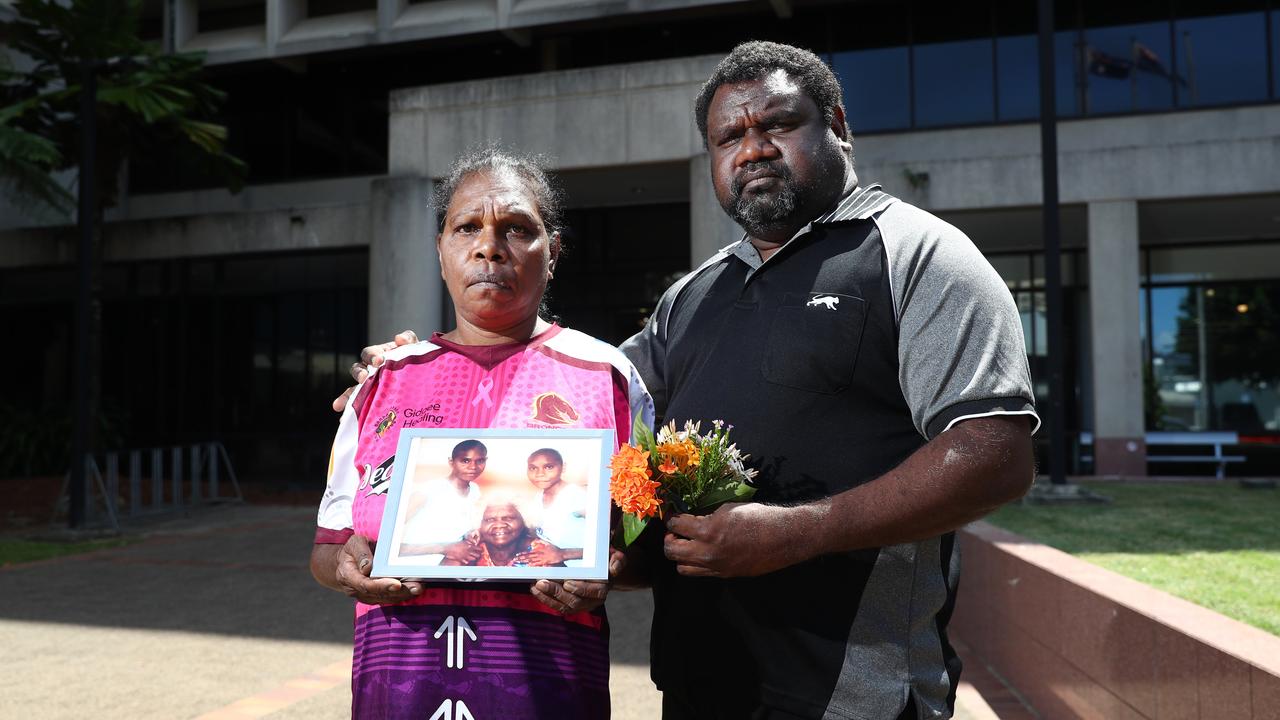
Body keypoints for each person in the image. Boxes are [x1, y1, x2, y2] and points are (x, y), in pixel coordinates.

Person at [345, 42, 1038, 720]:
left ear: (839, 126)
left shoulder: (920, 256)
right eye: (728, 135)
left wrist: (798, 532)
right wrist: (422, 369)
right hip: (700, 683)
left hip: (854, 690)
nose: (753, 147)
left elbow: (994, 455)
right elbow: (567, 404)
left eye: (778, 124)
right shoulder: (692, 297)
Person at [310, 147, 654, 719]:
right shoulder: (384, 383)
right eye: (466, 226)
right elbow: (327, 549)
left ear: (553, 252)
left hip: (548, 696)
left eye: (516, 228)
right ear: (441, 251)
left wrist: (609, 571)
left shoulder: (608, 378)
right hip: (399, 695)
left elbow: (656, 548)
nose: (488, 246)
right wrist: (348, 570)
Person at [396, 439, 487, 564]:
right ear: (451, 462)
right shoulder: (427, 490)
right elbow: (388, 546)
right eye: (465, 461)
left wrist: (469, 533)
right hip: (411, 569)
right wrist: (445, 548)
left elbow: (451, 527)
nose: (473, 467)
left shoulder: (475, 491)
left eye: (480, 461)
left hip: (444, 570)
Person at [518, 447, 588, 567]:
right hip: (554, 568)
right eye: (533, 468)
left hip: (581, 570)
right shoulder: (537, 498)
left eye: (548, 467)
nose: (540, 474)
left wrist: (562, 554)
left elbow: (604, 549)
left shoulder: (578, 496)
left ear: (563, 467)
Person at [442, 500, 565, 567]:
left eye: (508, 518)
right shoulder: (468, 550)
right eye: (490, 520)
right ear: (479, 527)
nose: (499, 525)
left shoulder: (543, 552)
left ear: (525, 522)